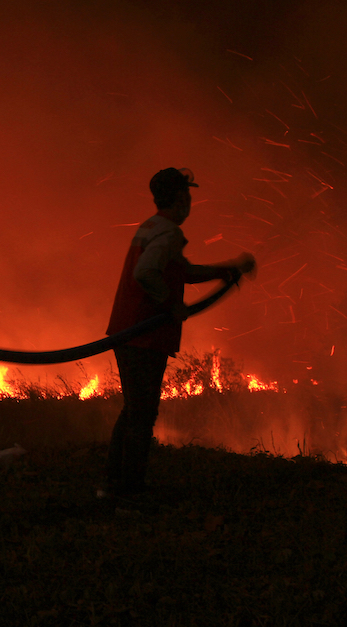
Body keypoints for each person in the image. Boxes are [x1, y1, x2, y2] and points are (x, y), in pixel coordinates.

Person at [105, 167, 255, 497]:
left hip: (129, 330)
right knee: (142, 415)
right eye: (187, 197)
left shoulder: (151, 227)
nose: (190, 204)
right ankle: (128, 492)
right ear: (179, 199)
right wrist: (169, 304)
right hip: (144, 332)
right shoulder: (169, 232)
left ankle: (113, 485)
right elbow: (146, 273)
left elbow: (181, 271)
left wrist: (225, 270)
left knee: (133, 410)